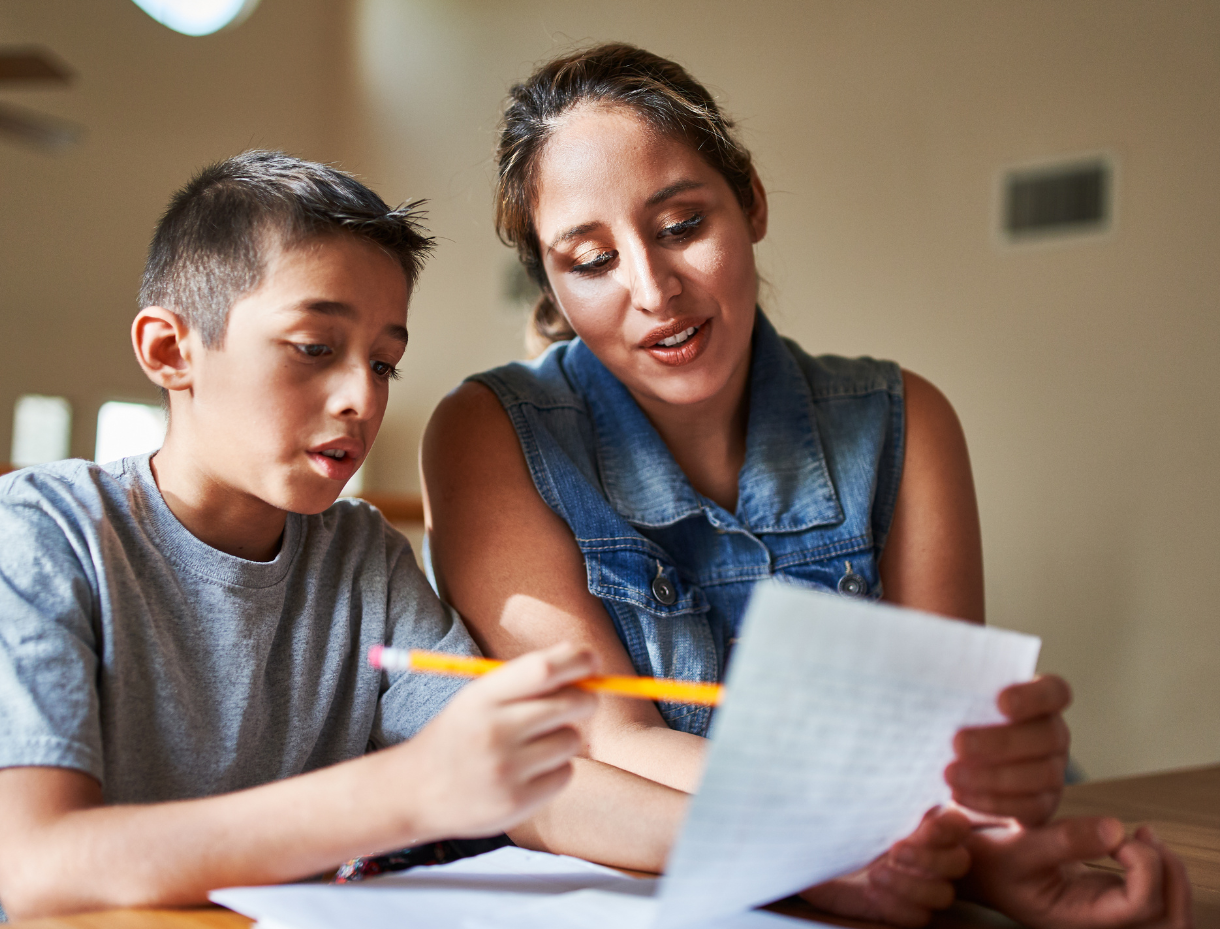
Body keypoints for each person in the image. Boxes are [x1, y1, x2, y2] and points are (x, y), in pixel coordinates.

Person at [421, 44, 1190, 927]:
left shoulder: (905, 419)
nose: (653, 288)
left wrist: (991, 836)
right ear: (551, 276)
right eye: (590, 261)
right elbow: (603, 740)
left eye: (678, 227)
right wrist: (853, 836)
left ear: (749, 200)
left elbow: (946, 753)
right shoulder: (490, 433)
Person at [0, 151, 600, 929]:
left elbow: (542, 786)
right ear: (169, 351)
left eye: (384, 362)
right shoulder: (36, 530)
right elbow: (46, 871)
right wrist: (404, 791)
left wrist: (740, 834)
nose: (362, 396)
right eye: (315, 347)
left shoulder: (363, 558)